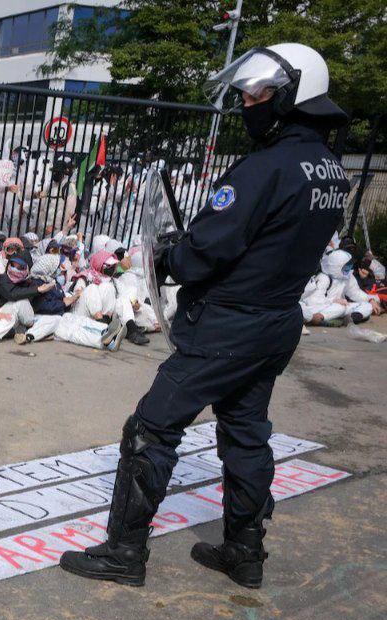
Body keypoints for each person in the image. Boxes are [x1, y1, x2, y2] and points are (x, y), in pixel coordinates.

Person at [60, 43, 352, 589]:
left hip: (227, 325)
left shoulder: (263, 168)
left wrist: (170, 255)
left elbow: (206, 251)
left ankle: (124, 551)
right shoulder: (330, 170)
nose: (247, 103)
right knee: (245, 433)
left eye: (258, 95)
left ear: (291, 98)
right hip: (276, 321)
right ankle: (244, 551)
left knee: (150, 428)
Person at [300, 249, 379, 325]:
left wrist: (370, 300)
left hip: (337, 307)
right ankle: (318, 318)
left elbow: (355, 293)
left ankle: (352, 317)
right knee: (340, 308)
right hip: (318, 307)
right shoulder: (324, 278)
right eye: (346, 266)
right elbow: (313, 301)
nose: (349, 268)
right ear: (336, 266)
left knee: (367, 306)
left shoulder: (346, 277)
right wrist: (333, 301)